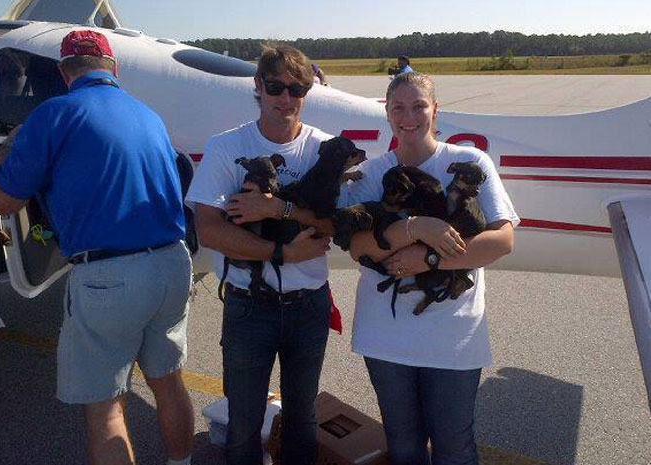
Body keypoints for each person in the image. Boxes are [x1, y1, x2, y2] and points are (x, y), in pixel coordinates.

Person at [0, 30, 194, 465]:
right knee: (168, 382)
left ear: (65, 72)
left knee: (104, 405)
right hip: (172, 264)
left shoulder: (53, 114)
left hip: (109, 275)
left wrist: (11, 157)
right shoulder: (148, 115)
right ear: (113, 69)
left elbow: (6, 199)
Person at [344, 72, 519, 465]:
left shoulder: (469, 162)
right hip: (385, 339)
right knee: (404, 449)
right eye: (398, 108)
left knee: (454, 450)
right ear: (387, 114)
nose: (409, 116)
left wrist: (430, 257)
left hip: (453, 337)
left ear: (435, 111)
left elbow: (502, 240)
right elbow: (357, 246)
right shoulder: (372, 175)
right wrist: (416, 227)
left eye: (419, 105)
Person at [185, 45, 334, 465]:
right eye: (276, 87)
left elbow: (338, 227)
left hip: (309, 306)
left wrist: (279, 209)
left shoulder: (323, 149)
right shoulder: (226, 147)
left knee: (303, 418)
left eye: (297, 88)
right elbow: (209, 230)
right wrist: (282, 251)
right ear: (258, 87)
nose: (286, 98)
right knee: (244, 421)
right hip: (249, 307)